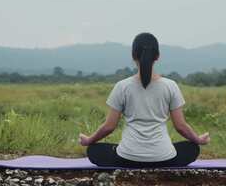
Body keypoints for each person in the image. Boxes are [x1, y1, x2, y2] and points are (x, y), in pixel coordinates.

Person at [78, 32, 210, 168]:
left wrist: (89, 140)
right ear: (157, 56)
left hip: (127, 158)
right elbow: (181, 127)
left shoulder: (122, 86)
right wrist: (198, 140)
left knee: (93, 150)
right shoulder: (171, 86)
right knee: (192, 148)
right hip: (164, 158)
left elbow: (109, 127)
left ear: (133, 56)